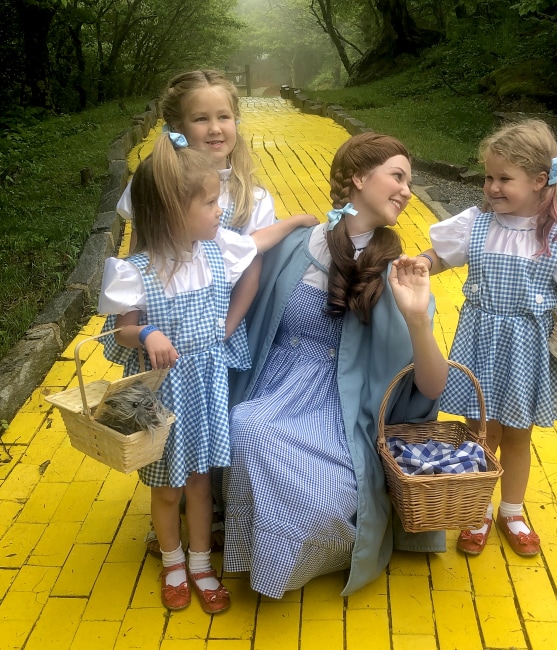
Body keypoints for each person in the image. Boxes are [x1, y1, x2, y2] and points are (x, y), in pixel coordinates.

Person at [224, 132, 450, 599]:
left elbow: (431, 387)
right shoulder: (295, 247)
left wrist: (416, 320)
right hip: (279, 387)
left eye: (410, 181)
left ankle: (301, 553)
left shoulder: (399, 270)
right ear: (358, 177)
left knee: (332, 498)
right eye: (398, 176)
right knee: (245, 427)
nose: (407, 191)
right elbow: (217, 277)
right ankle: (258, 550)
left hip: (347, 409)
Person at [97, 132, 311, 613]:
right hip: (161, 396)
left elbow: (260, 240)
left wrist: (297, 220)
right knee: (166, 485)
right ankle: (171, 560)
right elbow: (121, 331)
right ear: (174, 211)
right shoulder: (136, 270)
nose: (221, 211)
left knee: (199, 482)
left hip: (206, 387)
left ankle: (199, 562)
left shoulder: (219, 252)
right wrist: (146, 332)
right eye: (211, 202)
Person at [117, 69, 316, 555]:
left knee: (217, 415)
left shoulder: (250, 194)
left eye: (223, 116)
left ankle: (216, 509)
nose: (214, 128)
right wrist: (145, 322)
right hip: (166, 325)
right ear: (178, 126)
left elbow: (250, 259)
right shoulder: (158, 181)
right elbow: (142, 250)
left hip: (219, 328)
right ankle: (171, 511)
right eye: (200, 118)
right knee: (164, 423)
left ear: (237, 121)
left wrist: (228, 326)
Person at [418, 119, 557, 557]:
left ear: (538, 181)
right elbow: (439, 256)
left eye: (503, 178)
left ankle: (511, 510)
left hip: (527, 351)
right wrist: (419, 264)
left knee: (517, 435)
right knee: (478, 432)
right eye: (489, 177)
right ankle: (477, 511)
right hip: (480, 342)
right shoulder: (477, 225)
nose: (491, 187)